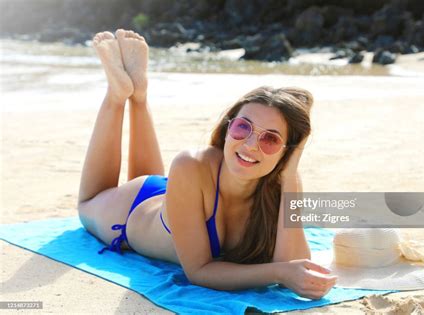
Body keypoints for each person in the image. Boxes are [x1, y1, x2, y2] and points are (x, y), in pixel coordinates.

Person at [77, 29, 337, 300]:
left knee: (152, 176)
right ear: (227, 129)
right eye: (242, 127)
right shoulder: (191, 164)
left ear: (287, 152)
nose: (249, 145)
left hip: (179, 198)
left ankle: (139, 95)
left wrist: (291, 174)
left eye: (270, 139)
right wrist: (278, 273)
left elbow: (294, 263)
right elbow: (199, 271)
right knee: (87, 203)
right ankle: (118, 95)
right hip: (130, 211)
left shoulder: (283, 180)